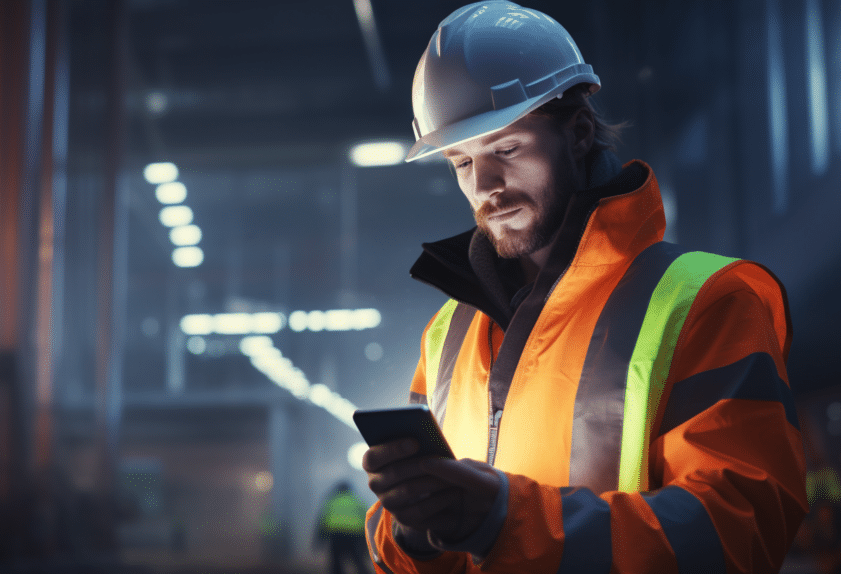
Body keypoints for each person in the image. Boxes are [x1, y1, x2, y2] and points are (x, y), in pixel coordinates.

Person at [360, 2, 808, 573]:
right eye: (461, 162)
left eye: (506, 149)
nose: (486, 186)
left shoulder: (711, 301)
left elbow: (738, 530)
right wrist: (414, 531)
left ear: (576, 133)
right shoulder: (446, 335)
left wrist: (504, 518)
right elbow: (403, 558)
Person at [316, 481, 373, 574]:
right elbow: (367, 519)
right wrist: (366, 539)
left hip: (336, 535)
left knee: (336, 562)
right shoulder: (357, 501)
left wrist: (319, 538)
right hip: (354, 535)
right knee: (357, 560)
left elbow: (323, 519)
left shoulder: (331, 501)